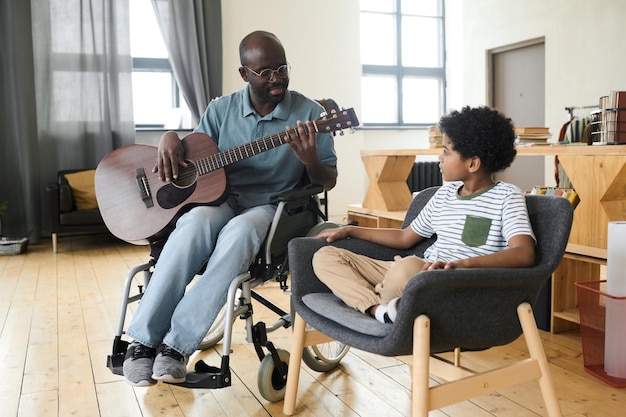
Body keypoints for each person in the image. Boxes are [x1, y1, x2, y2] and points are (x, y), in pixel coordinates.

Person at [122, 30, 338, 387]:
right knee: (191, 224)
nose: (277, 78)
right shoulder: (221, 110)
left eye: (282, 69)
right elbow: (192, 152)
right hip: (220, 200)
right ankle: (142, 344)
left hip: (272, 208)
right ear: (245, 74)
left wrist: (310, 158)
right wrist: (169, 138)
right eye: (265, 71)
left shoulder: (310, 114)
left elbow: (327, 179)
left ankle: (175, 347)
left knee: (239, 232)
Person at [312, 106, 535, 324]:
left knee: (404, 269)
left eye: (447, 152)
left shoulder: (507, 196)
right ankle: (378, 310)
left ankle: (387, 301)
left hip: (453, 282)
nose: (440, 157)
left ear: (473, 163)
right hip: (417, 271)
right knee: (326, 257)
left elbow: (524, 253)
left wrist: (462, 265)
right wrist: (351, 230)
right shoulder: (443, 194)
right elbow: (404, 237)